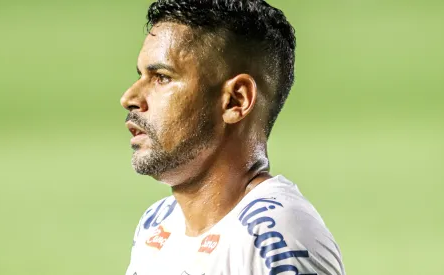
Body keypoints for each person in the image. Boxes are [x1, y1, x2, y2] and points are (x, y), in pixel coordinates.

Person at [120, 0, 345, 274]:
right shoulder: (157, 225)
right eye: (140, 75)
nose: (129, 98)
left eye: (162, 77)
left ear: (235, 101)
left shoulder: (274, 235)